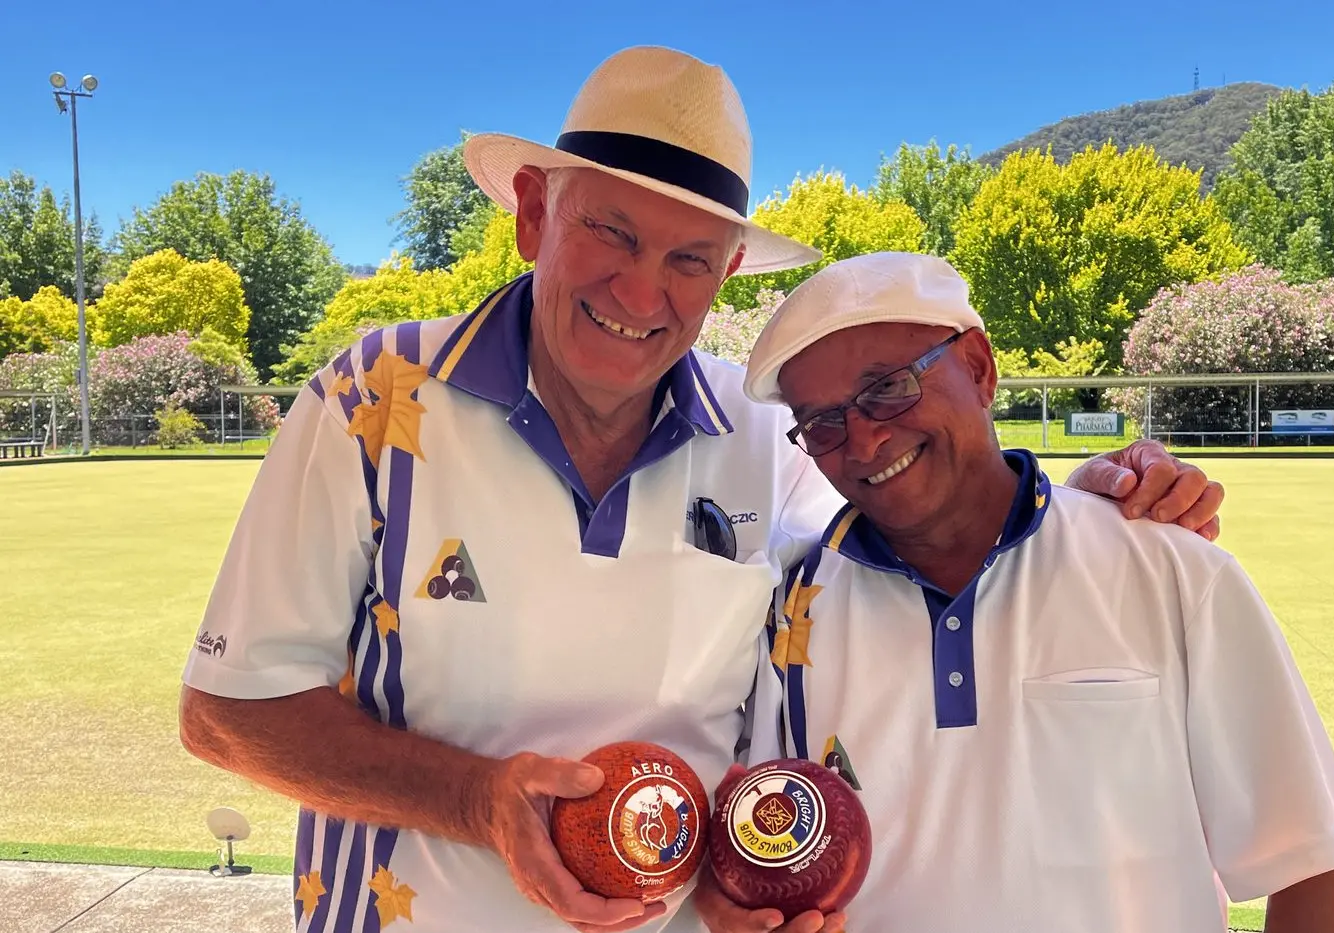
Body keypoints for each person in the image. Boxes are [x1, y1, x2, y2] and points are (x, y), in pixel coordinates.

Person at [177, 48, 1225, 933]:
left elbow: (917, 537)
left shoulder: (769, 435)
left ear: (726, 275)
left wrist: (1071, 502)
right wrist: (478, 801)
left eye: (689, 258)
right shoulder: (373, 397)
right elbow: (226, 713)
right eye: (612, 233)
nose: (642, 292)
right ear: (535, 214)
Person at [692, 251, 1334, 933]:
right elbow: (759, 844)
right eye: (823, 423)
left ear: (979, 368)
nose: (863, 441)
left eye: (888, 388)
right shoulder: (794, 604)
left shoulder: (1169, 568)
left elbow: (1316, 861)